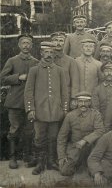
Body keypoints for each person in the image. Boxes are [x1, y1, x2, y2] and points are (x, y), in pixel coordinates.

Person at [24, 41, 68, 175]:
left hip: (55, 111)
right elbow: (28, 91)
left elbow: (64, 92)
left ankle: (51, 162)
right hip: (40, 111)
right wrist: (30, 109)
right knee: (39, 137)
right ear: (41, 53)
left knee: (53, 137)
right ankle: (40, 163)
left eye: (51, 53)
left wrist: (64, 109)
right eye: (46, 52)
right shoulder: (34, 70)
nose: (48, 55)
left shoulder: (60, 71)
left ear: (54, 54)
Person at [0, 34, 39, 169]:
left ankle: (27, 156)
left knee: (29, 130)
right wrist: (18, 77)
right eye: (23, 43)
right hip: (15, 102)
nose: (26, 45)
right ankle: (13, 158)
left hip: (30, 103)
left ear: (32, 46)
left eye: (28, 43)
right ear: (19, 45)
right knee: (15, 129)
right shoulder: (12, 60)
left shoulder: (36, 62)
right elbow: (3, 78)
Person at [57, 91, 105, 176]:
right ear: (76, 102)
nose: (83, 104)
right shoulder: (70, 116)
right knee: (65, 171)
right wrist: (61, 156)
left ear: (90, 102)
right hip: (75, 148)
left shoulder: (95, 114)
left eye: (86, 101)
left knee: (95, 172)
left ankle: (88, 164)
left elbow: (100, 130)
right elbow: (62, 137)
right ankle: (78, 163)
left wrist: (85, 140)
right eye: (80, 101)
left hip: (91, 147)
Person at [51, 31, 80, 108]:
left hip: (66, 96)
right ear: (51, 42)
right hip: (50, 96)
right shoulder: (47, 59)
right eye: (55, 40)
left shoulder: (71, 61)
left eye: (61, 41)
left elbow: (75, 81)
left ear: (64, 43)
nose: (58, 43)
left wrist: (74, 98)